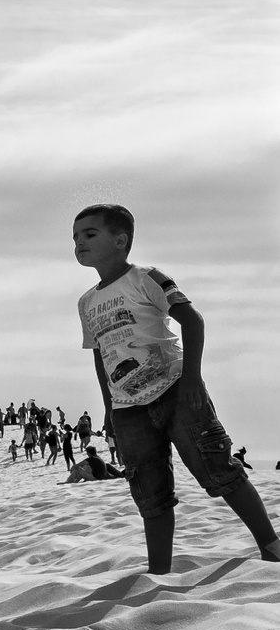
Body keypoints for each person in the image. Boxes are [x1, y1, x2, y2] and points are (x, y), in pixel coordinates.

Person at [74, 203, 280, 573]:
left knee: (219, 470)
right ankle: (159, 574)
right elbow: (99, 355)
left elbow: (193, 320)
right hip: (127, 409)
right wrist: (108, 408)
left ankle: (271, 546)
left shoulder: (146, 277)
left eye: (89, 234)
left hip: (175, 390)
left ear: (120, 240)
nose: (79, 243)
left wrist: (193, 378)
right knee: (149, 494)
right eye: (75, 238)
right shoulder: (87, 302)